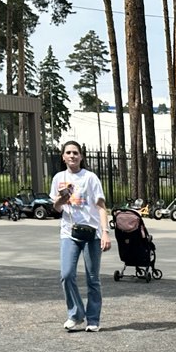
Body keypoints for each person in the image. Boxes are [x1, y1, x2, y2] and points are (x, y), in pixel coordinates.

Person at [51, 140, 111, 332]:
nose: (72, 156)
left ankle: (93, 319)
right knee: (66, 275)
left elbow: (101, 207)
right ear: (63, 157)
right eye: (68, 152)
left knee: (92, 278)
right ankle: (76, 314)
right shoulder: (58, 178)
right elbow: (56, 207)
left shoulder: (90, 178)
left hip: (91, 233)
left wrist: (105, 233)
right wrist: (62, 198)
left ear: (81, 156)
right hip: (69, 232)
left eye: (75, 153)